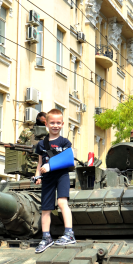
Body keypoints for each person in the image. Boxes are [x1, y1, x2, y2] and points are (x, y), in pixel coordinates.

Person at [33, 108, 75, 253]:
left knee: (62, 202)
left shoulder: (65, 142)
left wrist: (50, 165)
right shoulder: (41, 144)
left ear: (63, 124)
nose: (55, 125)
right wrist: (38, 175)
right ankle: (46, 238)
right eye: (52, 123)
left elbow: (69, 159)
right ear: (47, 124)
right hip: (47, 178)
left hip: (62, 175)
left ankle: (69, 234)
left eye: (58, 123)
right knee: (46, 208)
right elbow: (39, 163)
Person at [16, 112, 48, 177]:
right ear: (37, 119)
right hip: (27, 168)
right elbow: (18, 147)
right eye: (41, 121)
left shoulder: (48, 135)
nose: (43, 124)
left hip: (42, 169)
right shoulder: (27, 132)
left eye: (44, 122)